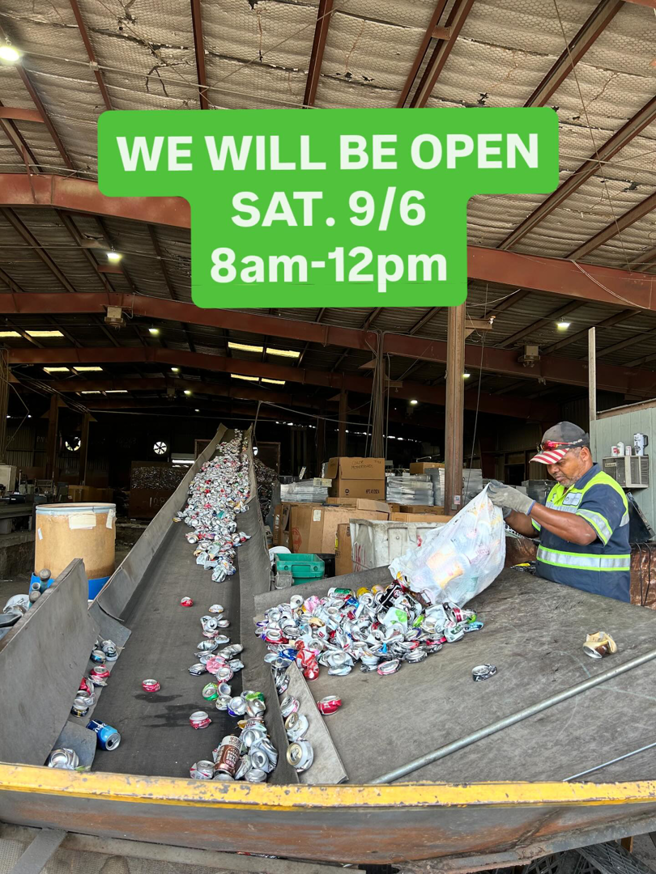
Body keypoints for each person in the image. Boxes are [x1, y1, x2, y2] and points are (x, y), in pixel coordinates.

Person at [488, 422, 630, 602]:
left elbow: (583, 532)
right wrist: (508, 511)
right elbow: (534, 527)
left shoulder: (603, 489)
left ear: (584, 454)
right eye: (548, 464)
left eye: (560, 462)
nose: (553, 470)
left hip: (597, 599)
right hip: (556, 594)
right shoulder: (558, 490)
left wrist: (527, 505)